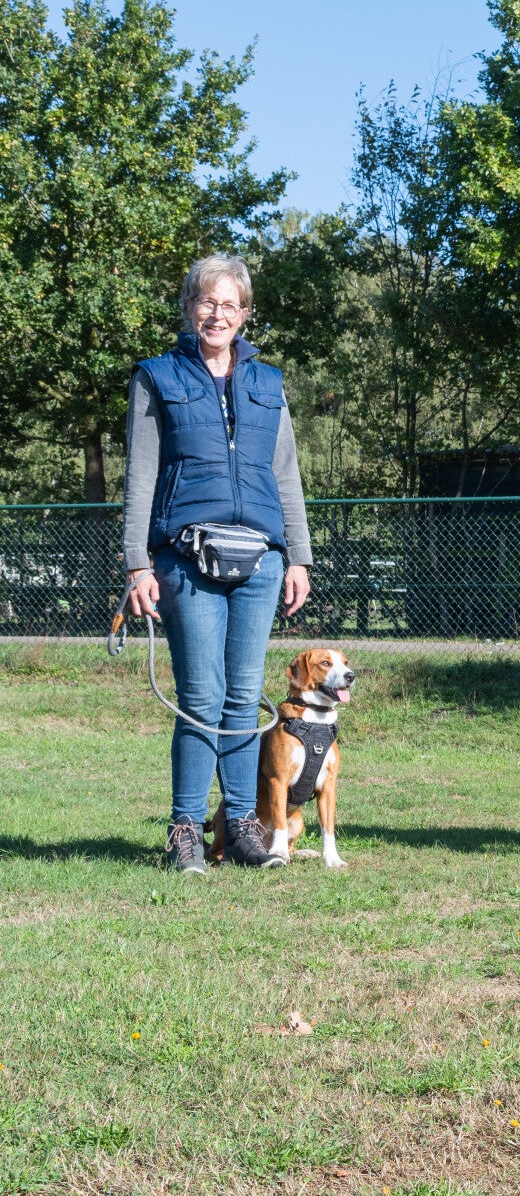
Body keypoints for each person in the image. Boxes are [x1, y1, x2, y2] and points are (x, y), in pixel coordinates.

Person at [123, 255, 313, 874]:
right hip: (185, 559)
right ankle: (184, 831)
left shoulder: (268, 382)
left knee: (243, 698)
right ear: (189, 308)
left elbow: (286, 475)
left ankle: (241, 826)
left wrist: (298, 557)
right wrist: (137, 565)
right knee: (201, 698)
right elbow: (140, 476)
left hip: (260, 561)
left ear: (245, 314)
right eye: (207, 302)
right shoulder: (157, 377)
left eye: (230, 305)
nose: (217, 314)